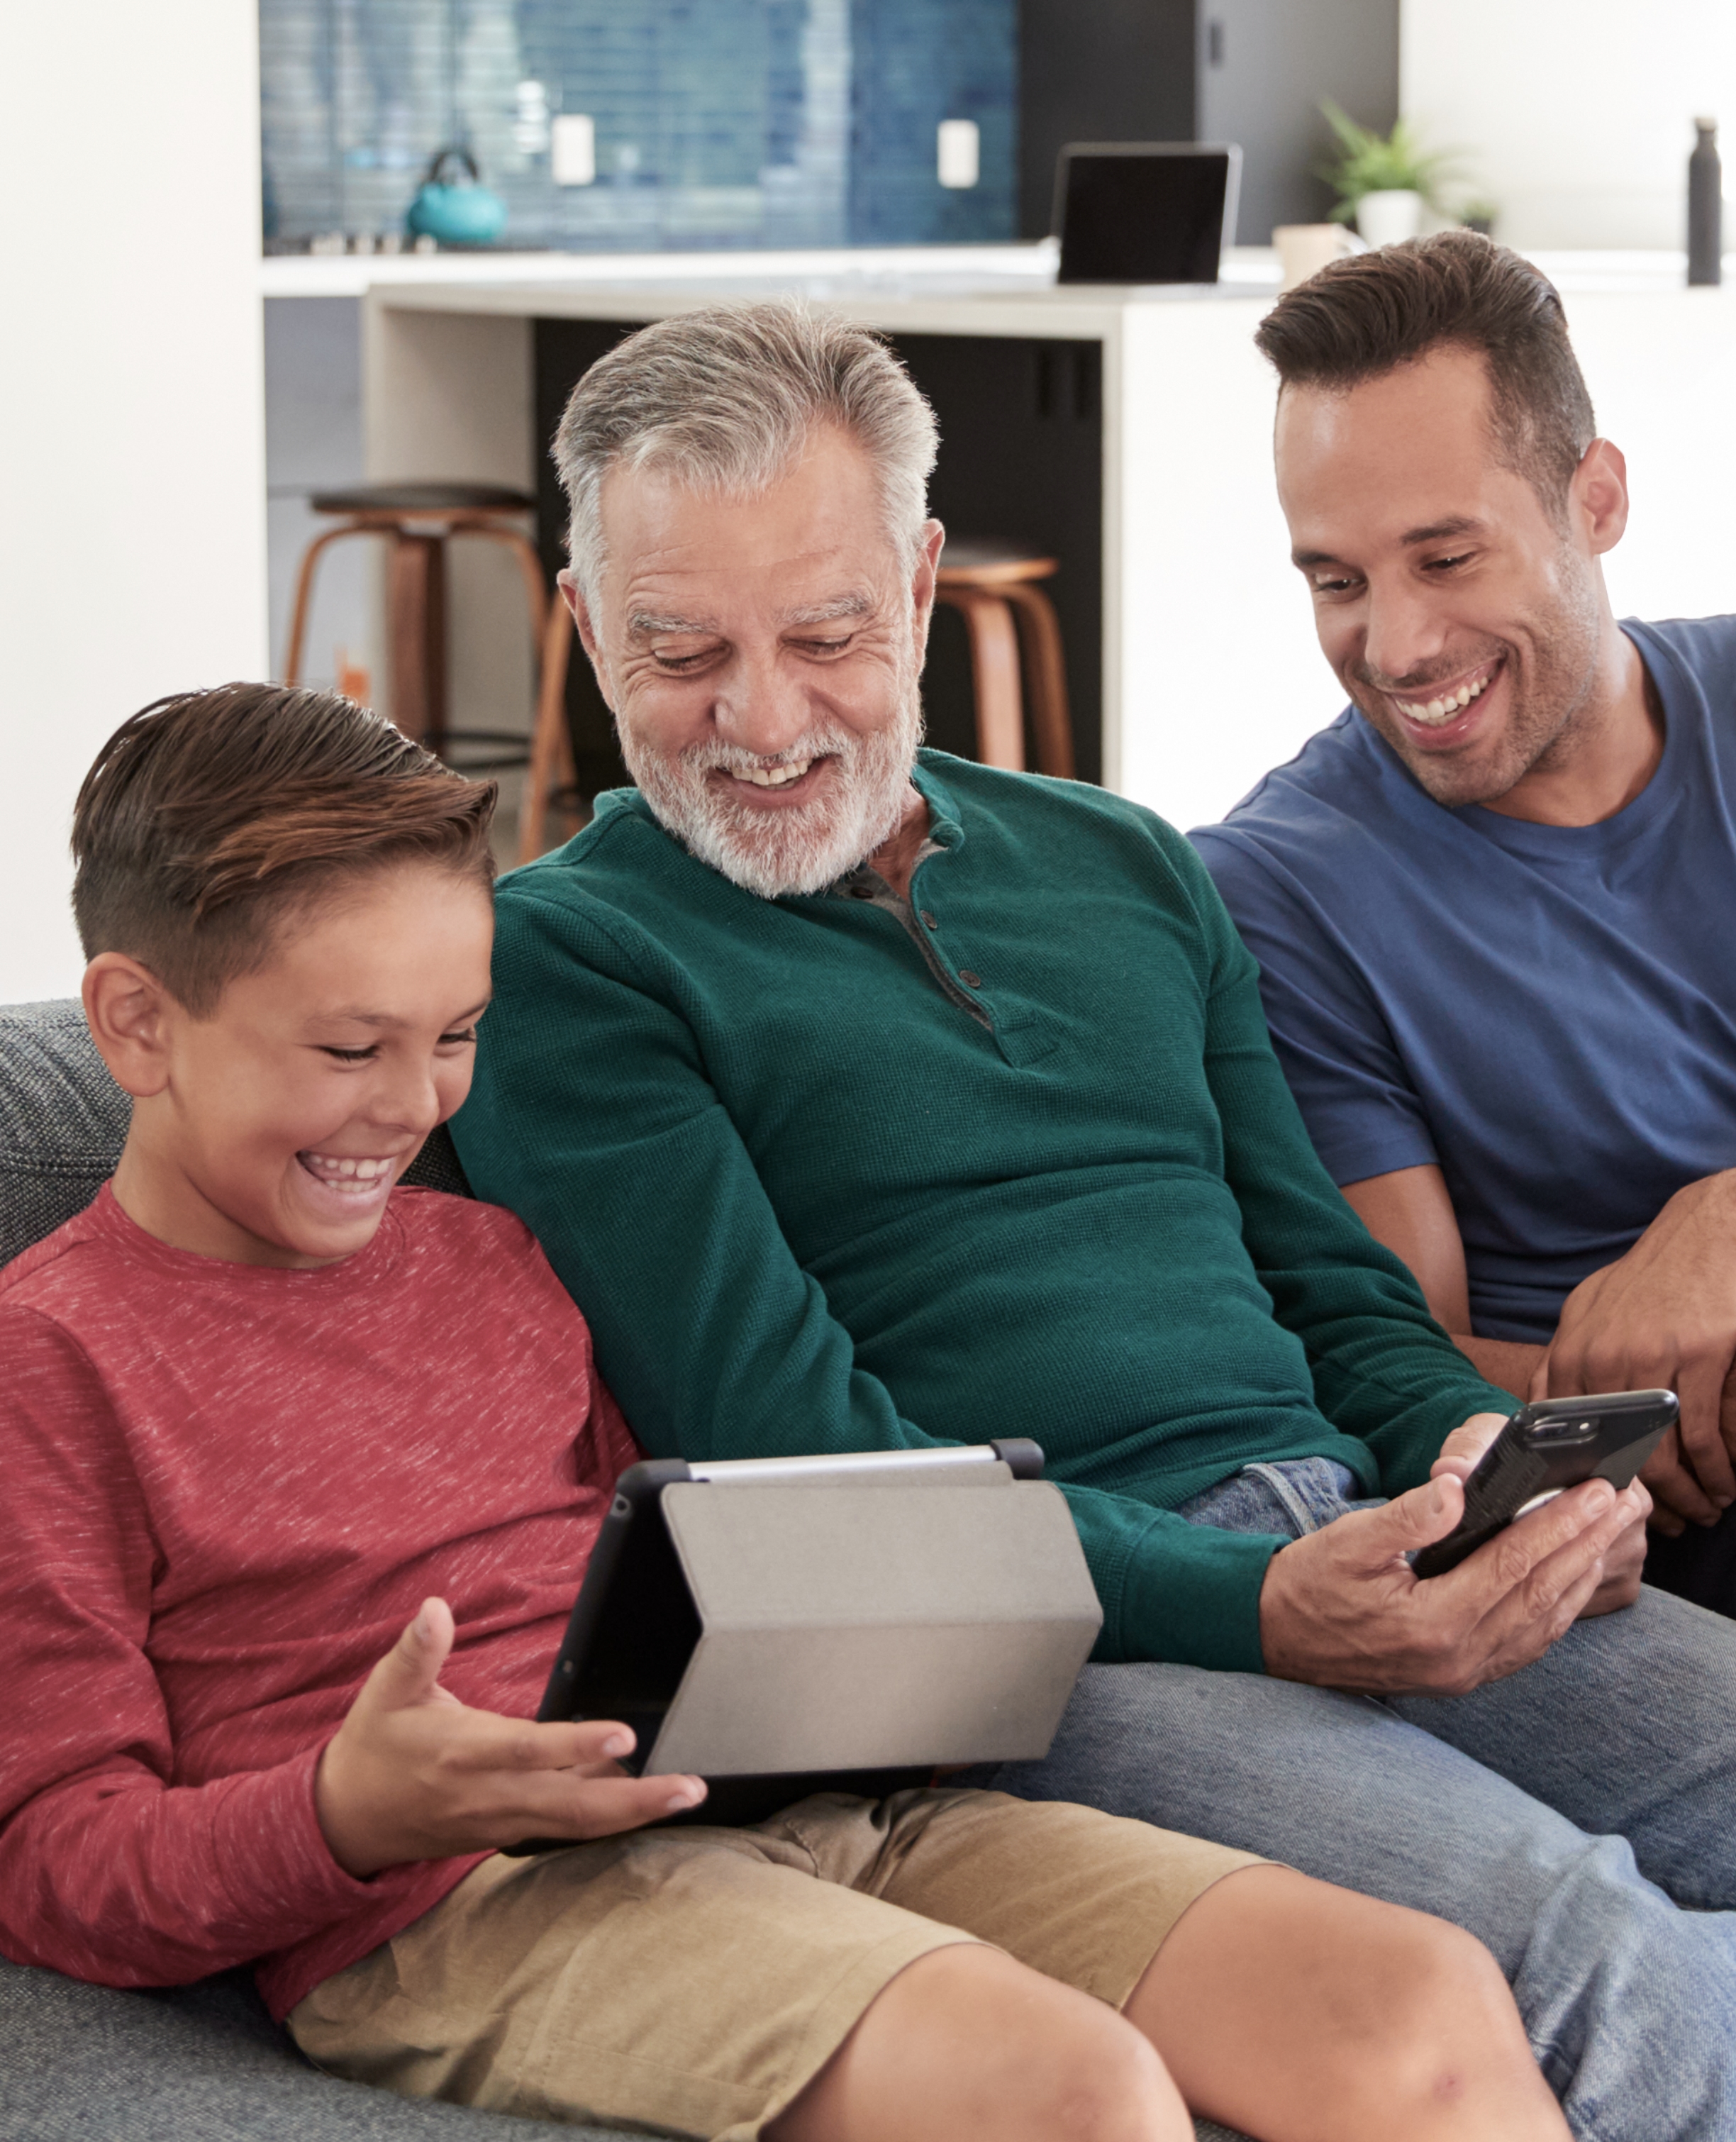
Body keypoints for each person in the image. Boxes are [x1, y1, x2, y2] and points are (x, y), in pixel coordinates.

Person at [452, 297, 1736, 2142]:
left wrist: (1484, 1466)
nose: (763, 721)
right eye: (681, 652)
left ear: (920, 587)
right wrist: (1260, 1607)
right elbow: (809, 1473)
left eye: (825, 636)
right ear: (586, 630)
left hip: (1361, 1540)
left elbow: (1335, 1294)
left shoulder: (1125, 861)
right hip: (1055, 1655)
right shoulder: (565, 964)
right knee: (1589, 1957)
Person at [0, 681, 1568, 2142]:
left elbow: (681, 1551)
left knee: (1414, 1996)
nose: (413, 1105)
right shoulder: (50, 1360)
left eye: (457, 1037)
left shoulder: (489, 1257)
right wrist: (344, 1812)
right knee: (1061, 2086)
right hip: (453, 1903)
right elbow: (54, 1858)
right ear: (135, 1022)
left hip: (794, 1807)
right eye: (353, 1049)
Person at [1190, 230, 1736, 1618]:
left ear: (1595, 499)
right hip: (1648, 1516)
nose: (1397, 647)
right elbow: (1403, 1355)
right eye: (1337, 581)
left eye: (1445, 557)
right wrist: (1665, 1402)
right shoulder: (1279, 892)